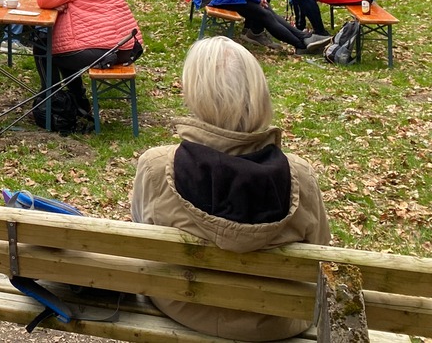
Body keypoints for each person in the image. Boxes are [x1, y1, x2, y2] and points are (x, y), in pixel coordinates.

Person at [131, 36, 330, 341]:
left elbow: (141, 242)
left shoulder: (156, 166)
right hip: (277, 323)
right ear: (259, 94)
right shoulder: (299, 175)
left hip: (183, 309)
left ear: (194, 94)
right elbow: (322, 257)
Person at [35, 0, 140, 120]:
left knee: (43, 47)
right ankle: (77, 102)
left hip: (112, 47)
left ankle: (52, 100)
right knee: (58, 45)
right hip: (120, 40)